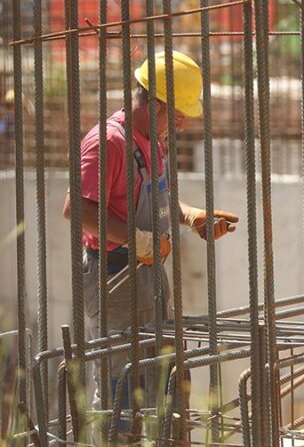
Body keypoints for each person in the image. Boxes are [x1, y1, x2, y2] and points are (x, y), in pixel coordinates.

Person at [62, 51, 240, 421]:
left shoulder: (152, 142)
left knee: (154, 383)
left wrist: (193, 217)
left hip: (148, 275)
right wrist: (136, 240)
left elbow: (160, 200)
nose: (181, 125)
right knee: (120, 390)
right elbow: (76, 210)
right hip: (114, 276)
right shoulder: (108, 142)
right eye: (177, 115)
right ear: (156, 104)